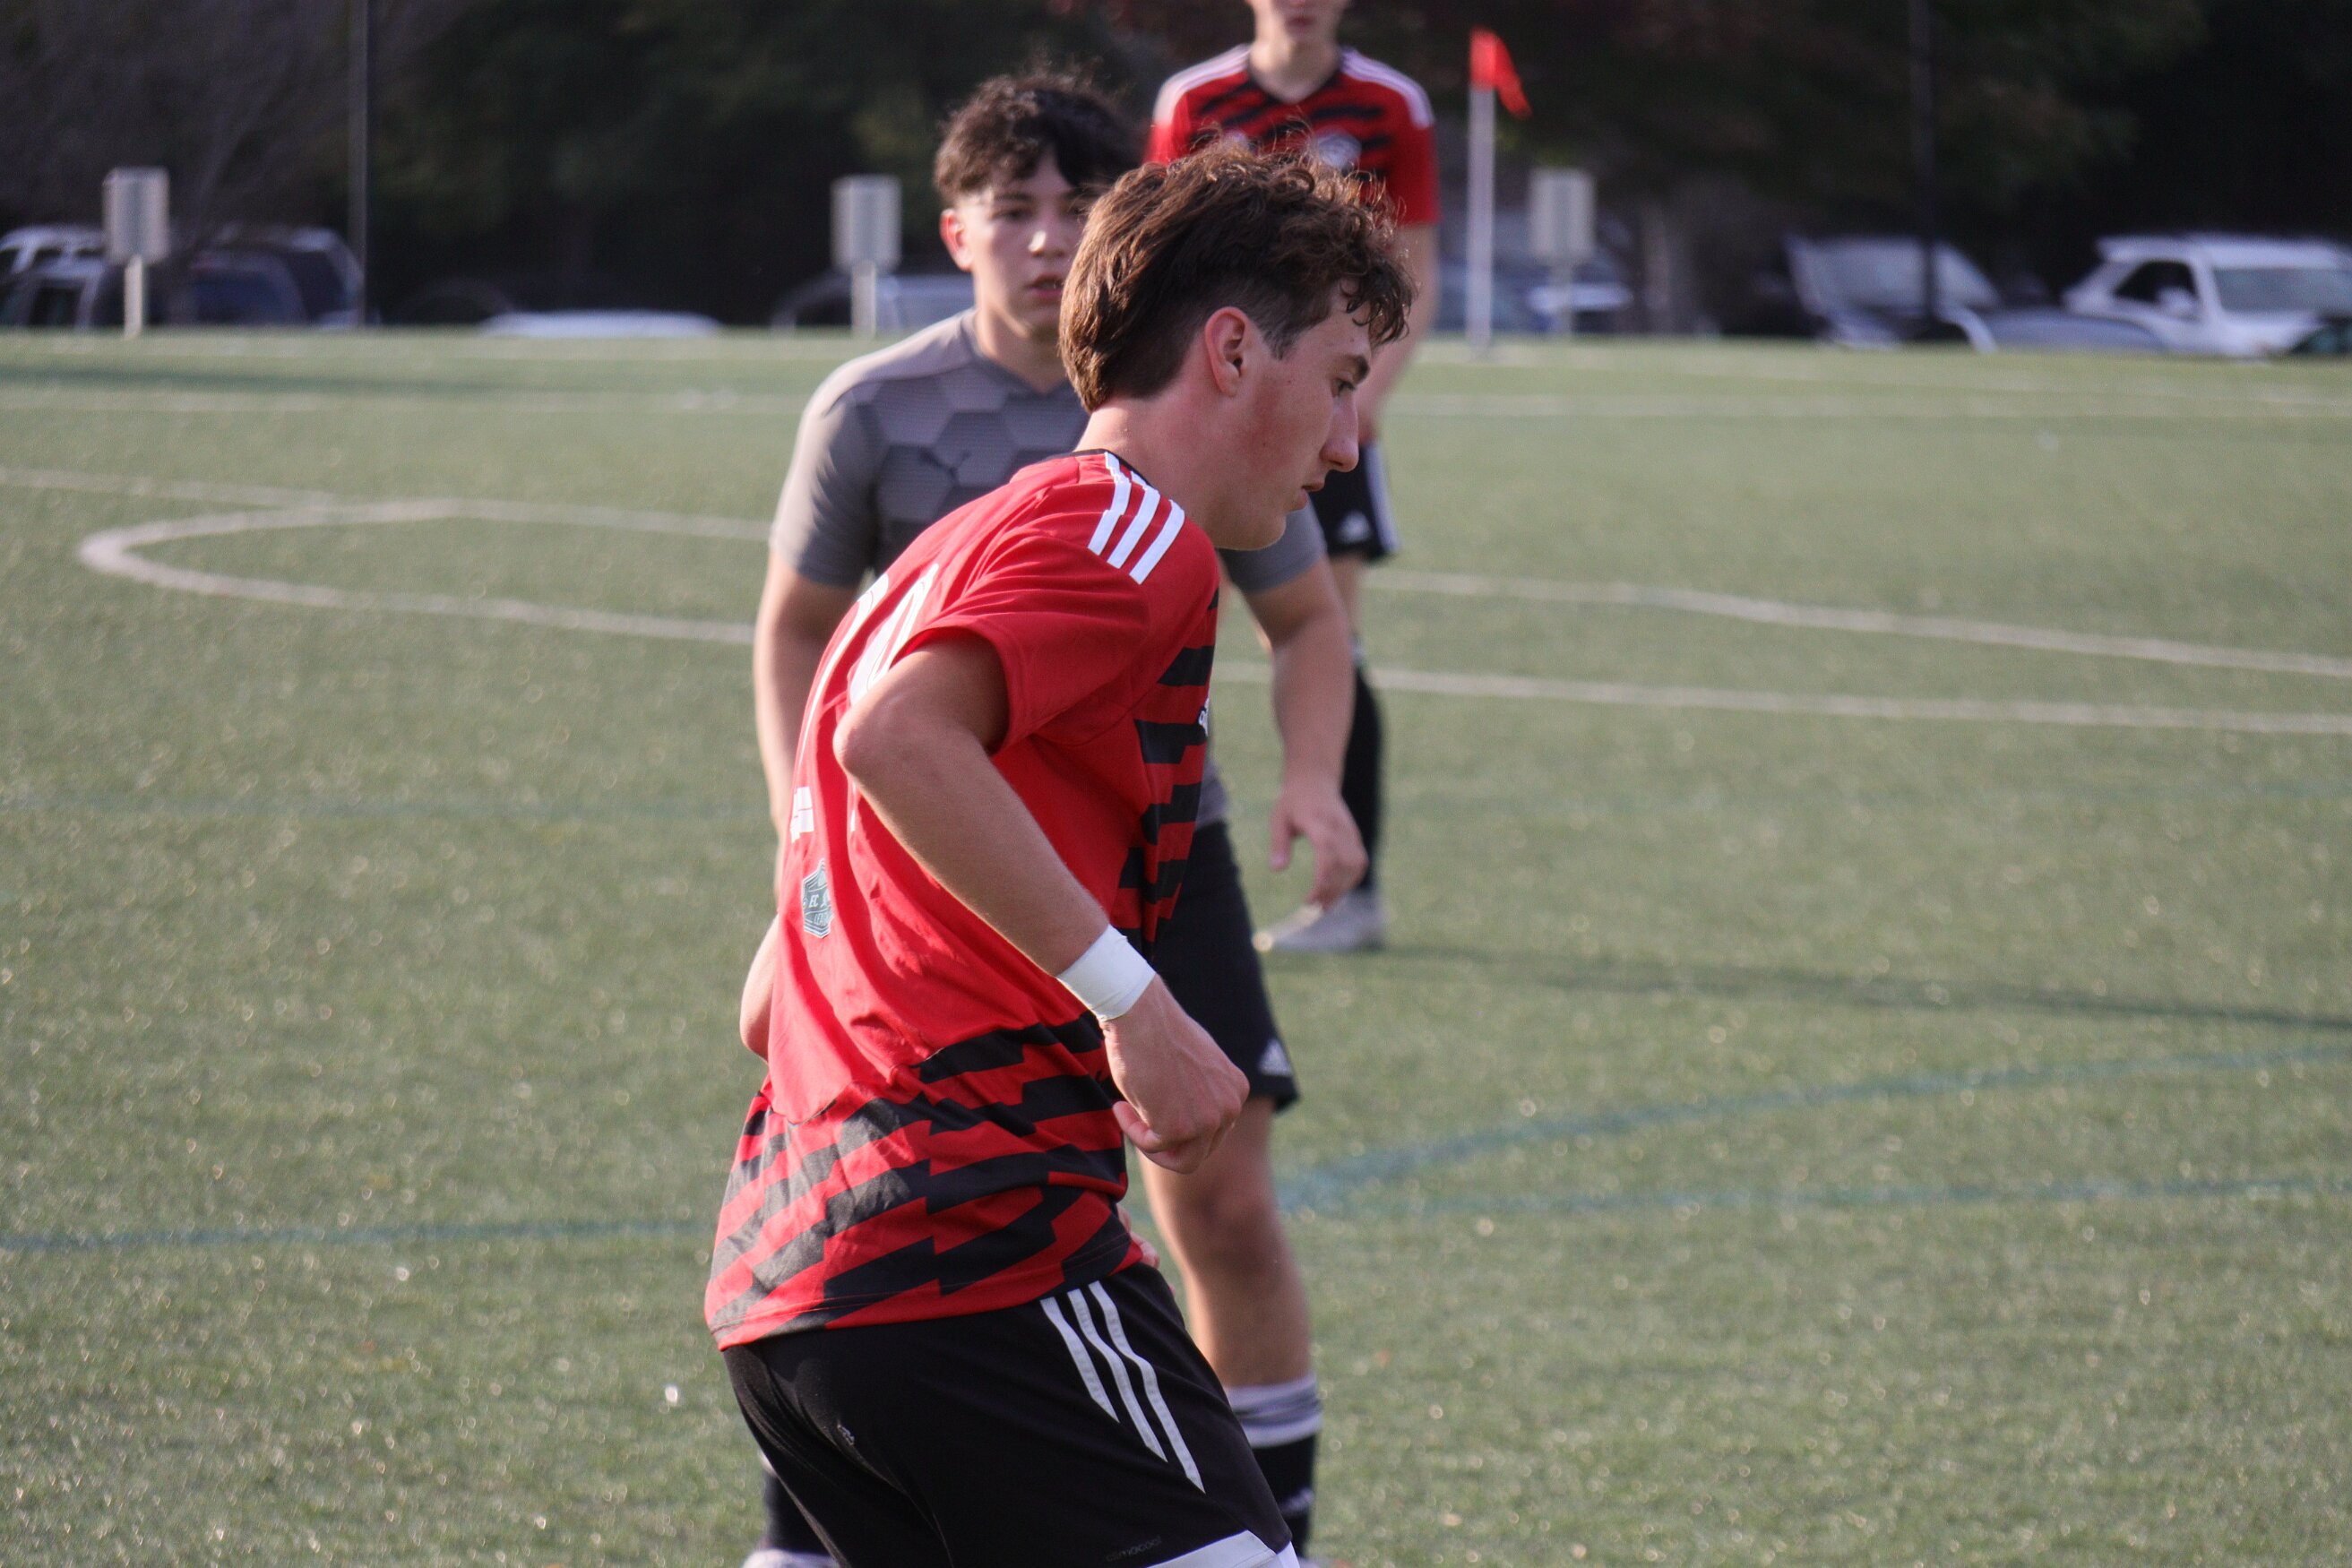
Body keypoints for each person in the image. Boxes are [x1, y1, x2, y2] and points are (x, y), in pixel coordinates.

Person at [710, 142, 1413, 1565]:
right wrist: (1134, 1007)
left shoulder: (939, 560)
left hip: (794, 1288)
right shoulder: (1132, 531)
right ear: (1230, 350)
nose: (1349, 443)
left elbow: (769, 994)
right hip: (976, 1264)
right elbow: (898, 740)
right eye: (1340, 380)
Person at [1150, 0, 1443, 954]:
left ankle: (1350, 894)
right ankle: (1138, 878)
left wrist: (1350, 401)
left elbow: (1416, 269)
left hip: (1327, 414)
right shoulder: (1191, 100)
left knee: (1327, 640)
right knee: (1156, 632)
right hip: (1205, 421)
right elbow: (1154, 262)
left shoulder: (1390, 105)